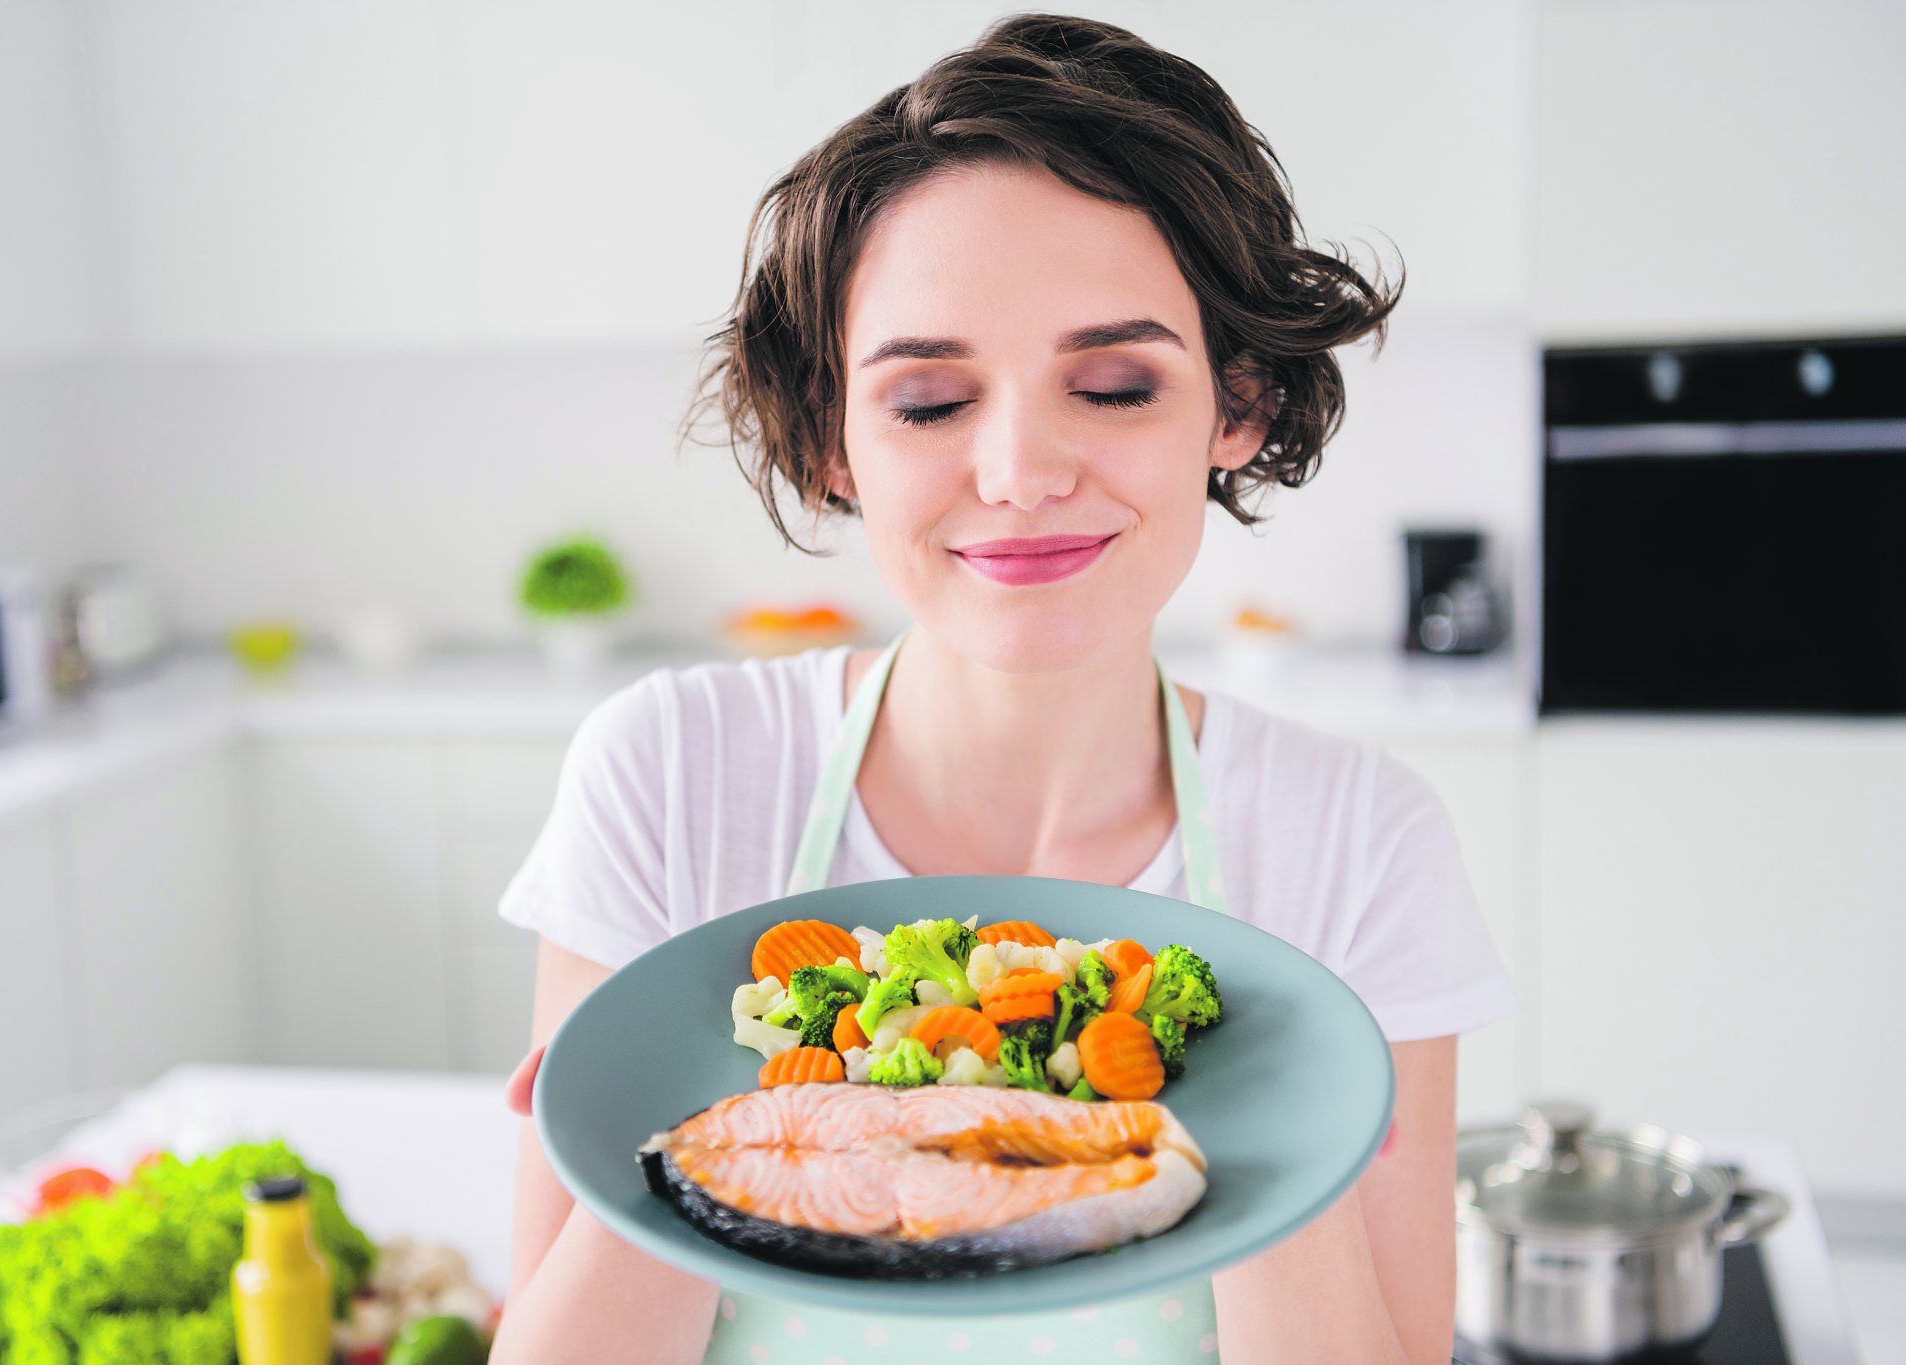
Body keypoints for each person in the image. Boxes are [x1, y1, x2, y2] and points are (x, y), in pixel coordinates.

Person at [490, 15, 1514, 1364]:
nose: (1020, 469)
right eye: (926, 401)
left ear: (1239, 401)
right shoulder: (671, 771)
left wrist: (1283, 1129)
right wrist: (691, 1123)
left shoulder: (1355, 840)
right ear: (832, 436)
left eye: (1111, 383)